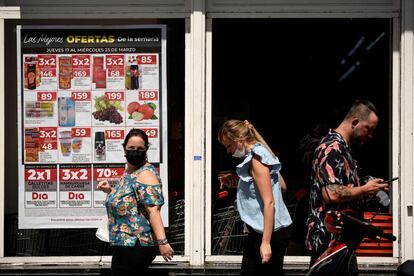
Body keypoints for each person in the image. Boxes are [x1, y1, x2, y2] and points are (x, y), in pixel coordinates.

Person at [305, 100, 389, 271]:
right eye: (369, 129)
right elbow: (332, 194)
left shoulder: (345, 149)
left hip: (343, 241)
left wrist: (366, 191)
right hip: (328, 243)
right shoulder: (331, 148)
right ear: (355, 122)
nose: (370, 135)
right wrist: (365, 189)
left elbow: (347, 196)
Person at [218, 119, 292, 275]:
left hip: (268, 231)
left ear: (240, 139)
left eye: (229, 145)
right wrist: (241, 182)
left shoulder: (256, 159)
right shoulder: (262, 153)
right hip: (269, 229)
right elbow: (282, 186)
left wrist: (265, 243)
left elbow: (269, 202)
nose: (228, 151)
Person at [98, 128, 174, 275]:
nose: (135, 151)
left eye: (140, 148)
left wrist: (162, 243)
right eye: (131, 148)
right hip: (124, 243)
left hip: (136, 243)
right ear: (124, 148)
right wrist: (110, 191)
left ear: (146, 149)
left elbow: (153, 210)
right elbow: (131, 202)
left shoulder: (145, 174)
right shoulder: (129, 172)